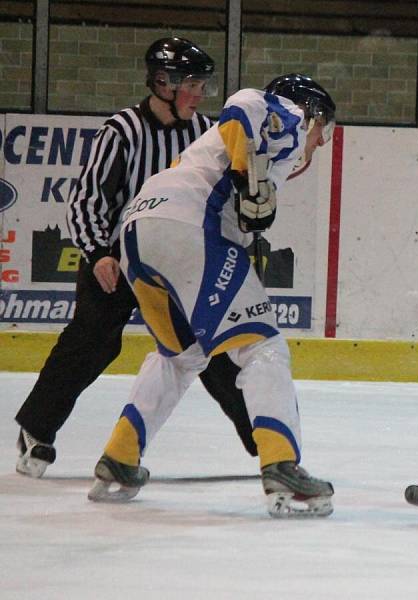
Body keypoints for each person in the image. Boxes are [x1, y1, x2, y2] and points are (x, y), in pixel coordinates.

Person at [86, 74, 337, 518]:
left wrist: (249, 182)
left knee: (180, 357)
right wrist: (245, 175)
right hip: (187, 227)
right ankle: (281, 464)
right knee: (262, 346)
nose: (321, 143)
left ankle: (119, 459)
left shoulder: (251, 152)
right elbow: (245, 103)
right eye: (326, 131)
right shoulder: (292, 117)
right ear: (313, 115)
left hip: (137, 234)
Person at [14, 37, 257, 479]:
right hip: (116, 256)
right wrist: (99, 253)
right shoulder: (122, 130)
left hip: (178, 254)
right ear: (163, 83)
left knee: (211, 341)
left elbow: (221, 197)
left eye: (203, 86)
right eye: (193, 85)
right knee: (93, 339)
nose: (200, 95)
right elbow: (87, 200)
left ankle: (264, 441)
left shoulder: (206, 132)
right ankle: (36, 429)